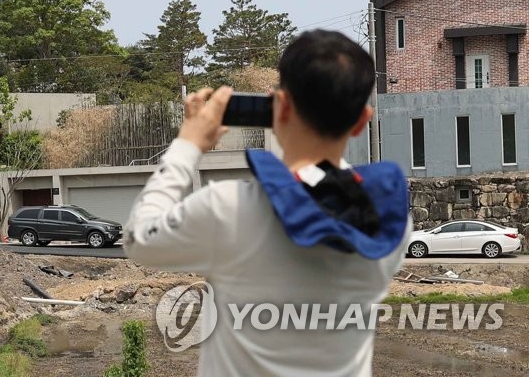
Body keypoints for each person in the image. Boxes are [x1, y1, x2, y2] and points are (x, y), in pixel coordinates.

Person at [124, 30, 411, 376]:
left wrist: (188, 144)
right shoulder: (387, 219)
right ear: (362, 122)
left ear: (282, 106)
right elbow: (324, 185)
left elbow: (139, 240)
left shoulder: (229, 208)